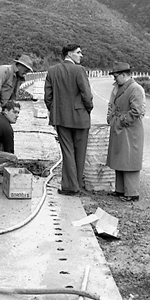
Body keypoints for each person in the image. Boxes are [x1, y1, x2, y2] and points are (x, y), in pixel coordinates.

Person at [44, 43, 93, 196]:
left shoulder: (52, 71)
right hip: (80, 118)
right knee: (80, 152)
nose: (81, 55)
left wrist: (55, 110)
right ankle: (75, 185)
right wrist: (88, 109)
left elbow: (48, 97)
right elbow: (87, 95)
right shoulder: (79, 70)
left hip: (61, 118)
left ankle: (70, 186)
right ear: (69, 54)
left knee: (67, 151)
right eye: (78, 52)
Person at [106, 62, 146, 202]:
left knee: (129, 160)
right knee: (120, 158)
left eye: (116, 76)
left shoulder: (135, 89)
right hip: (121, 126)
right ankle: (120, 189)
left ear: (124, 75)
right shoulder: (120, 87)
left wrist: (122, 121)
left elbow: (137, 110)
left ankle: (132, 192)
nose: (114, 80)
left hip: (130, 129)